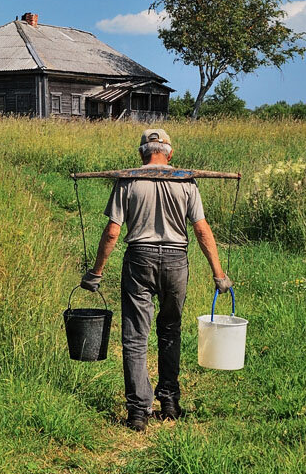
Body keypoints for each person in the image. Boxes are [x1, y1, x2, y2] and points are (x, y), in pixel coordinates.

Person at [79, 128, 231, 433]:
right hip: (176, 261)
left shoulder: (129, 180)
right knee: (170, 330)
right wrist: (219, 274)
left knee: (136, 336)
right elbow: (201, 230)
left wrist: (96, 272)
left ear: (141, 153)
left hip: (139, 258)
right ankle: (170, 402)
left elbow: (112, 232)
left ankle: (138, 411)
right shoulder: (185, 181)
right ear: (170, 153)